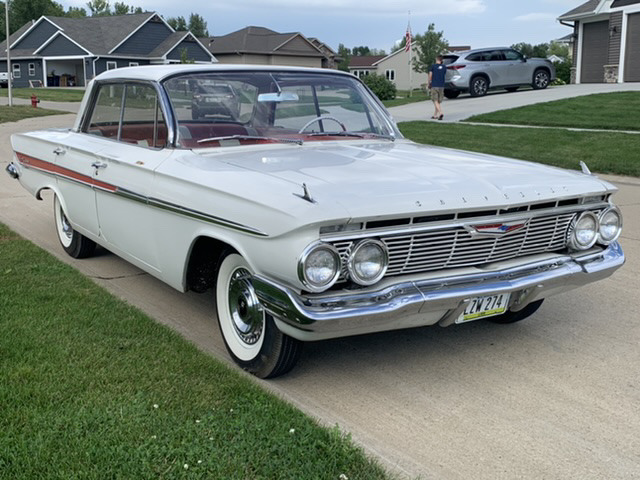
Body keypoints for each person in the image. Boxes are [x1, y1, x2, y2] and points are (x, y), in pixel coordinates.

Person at [428, 55, 447, 120]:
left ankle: (441, 113)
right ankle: (435, 115)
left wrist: (429, 83)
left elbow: (430, 75)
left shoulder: (433, 66)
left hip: (434, 85)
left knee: (435, 100)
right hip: (441, 86)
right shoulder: (444, 67)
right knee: (438, 102)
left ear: (436, 59)